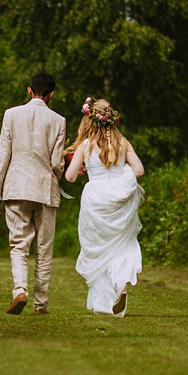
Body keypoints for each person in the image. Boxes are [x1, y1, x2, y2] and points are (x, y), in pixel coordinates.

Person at [0, 73, 67, 315]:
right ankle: (40, 305)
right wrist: (57, 178)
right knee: (44, 249)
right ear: (52, 94)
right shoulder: (59, 120)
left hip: (16, 187)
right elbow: (56, 163)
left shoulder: (11, 115)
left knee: (19, 246)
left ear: (29, 90)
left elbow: (3, 155)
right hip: (45, 189)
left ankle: (19, 290)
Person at [64, 97, 145, 316]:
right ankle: (121, 285)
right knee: (121, 245)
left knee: (98, 247)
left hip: (96, 201)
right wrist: (122, 178)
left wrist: (83, 169)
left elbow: (70, 177)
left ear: (89, 120)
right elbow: (138, 171)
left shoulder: (86, 145)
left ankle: (104, 301)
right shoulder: (123, 143)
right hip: (119, 201)